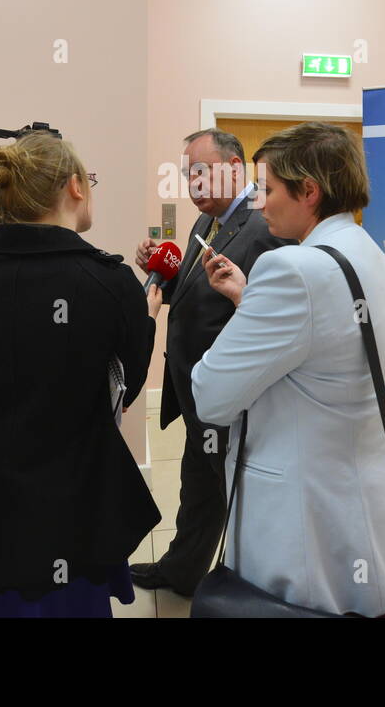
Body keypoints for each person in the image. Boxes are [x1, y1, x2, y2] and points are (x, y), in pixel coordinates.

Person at [0, 130, 163, 617]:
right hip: (70, 517)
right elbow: (124, 390)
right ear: (75, 187)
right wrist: (146, 323)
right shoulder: (110, 280)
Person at [191, 122, 385, 617]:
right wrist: (249, 299)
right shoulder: (369, 254)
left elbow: (210, 395)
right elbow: (333, 347)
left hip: (308, 522)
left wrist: (255, 307)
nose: (261, 202)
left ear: (310, 191)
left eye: (270, 189)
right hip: (373, 498)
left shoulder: (294, 269)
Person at [129, 128, 292, 597]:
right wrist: (162, 272)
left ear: (235, 167)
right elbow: (206, 287)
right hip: (197, 386)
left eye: (202, 172)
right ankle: (183, 569)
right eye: (187, 174)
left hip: (233, 391)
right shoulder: (207, 222)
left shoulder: (263, 227)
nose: (192, 184)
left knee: (225, 484)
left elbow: (267, 310)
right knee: (198, 477)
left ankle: (236, 579)